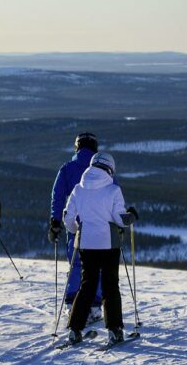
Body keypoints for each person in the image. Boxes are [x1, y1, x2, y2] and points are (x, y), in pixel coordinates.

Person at [63, 152, 138, 345]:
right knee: (110, 285)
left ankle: (75, 329)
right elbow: (120, 219)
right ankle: (114, 330)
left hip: (86, 244)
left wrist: (77, 231)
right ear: (110, 169)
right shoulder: (113, 190)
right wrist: (132, 216)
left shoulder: (78, 189)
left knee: (87, 284)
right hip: (108, 244)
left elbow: (68, 219)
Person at [49, 133, 106, 323]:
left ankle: (71, 304)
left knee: (76, 264)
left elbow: (57, 196)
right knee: (96, 266)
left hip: (74, 225)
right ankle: (95, 306)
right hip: (100, 226)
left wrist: (55, 221)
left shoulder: (67, 168)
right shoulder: (104, 169)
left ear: (77, 147)